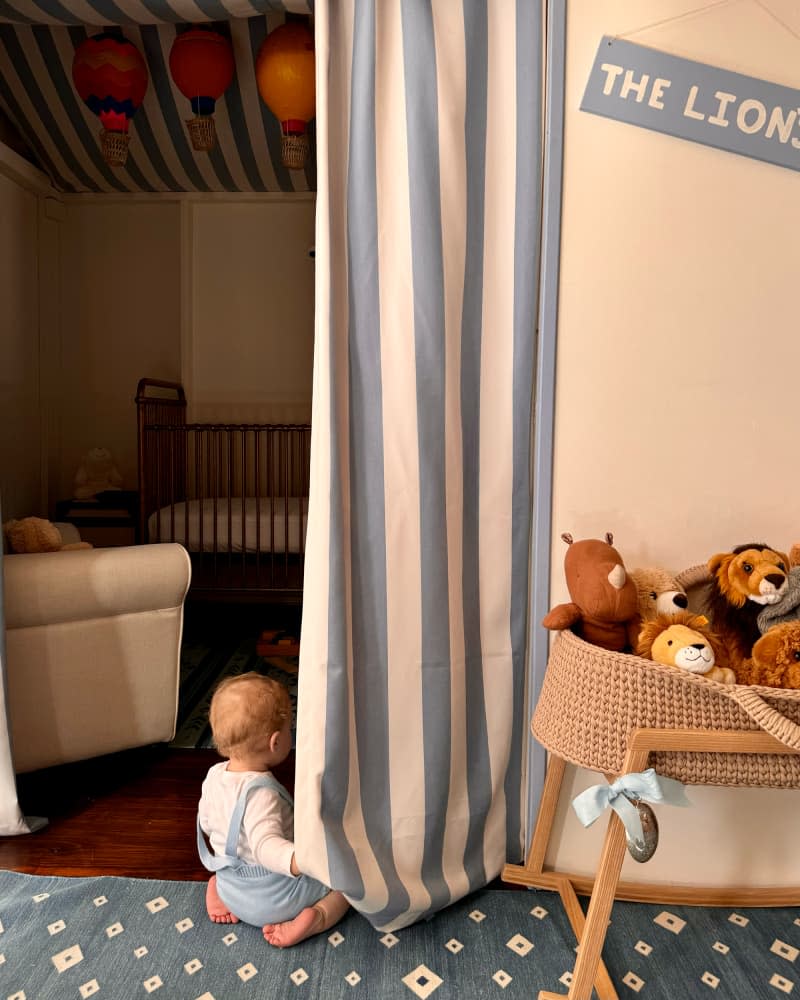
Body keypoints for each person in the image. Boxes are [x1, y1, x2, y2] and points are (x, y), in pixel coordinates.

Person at [197, 671, 349, 947]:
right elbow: (265, 846)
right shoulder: (262, 793)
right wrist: (300, 860)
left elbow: (207, 825)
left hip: (233, 886)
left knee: (230, 863)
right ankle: (316, 917)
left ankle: (218, 890)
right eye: (290, 728)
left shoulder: (215, 775)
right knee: (346, 885)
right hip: (275, 900)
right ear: (275, 742)